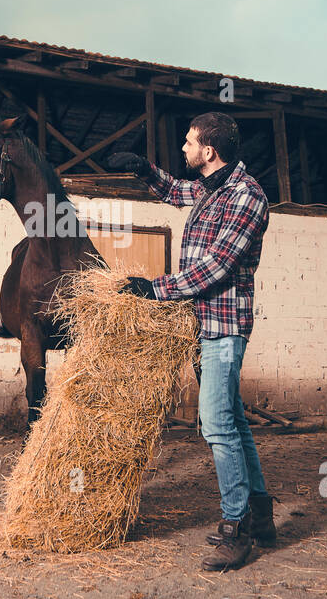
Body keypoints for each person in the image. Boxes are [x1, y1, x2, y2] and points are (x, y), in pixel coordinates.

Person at [108, 112, 275, 571]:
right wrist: (144, 170)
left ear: (210, 150)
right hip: (202, 325)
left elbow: (218, 267)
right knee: (235, 422)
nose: (183, 149)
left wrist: (155, 289)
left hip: (223, 327)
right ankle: (261, 518)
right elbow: (176, 191)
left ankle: (237, 529)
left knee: (216, 425)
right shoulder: (211, 188)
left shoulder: (247, 196)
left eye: (188, 142)